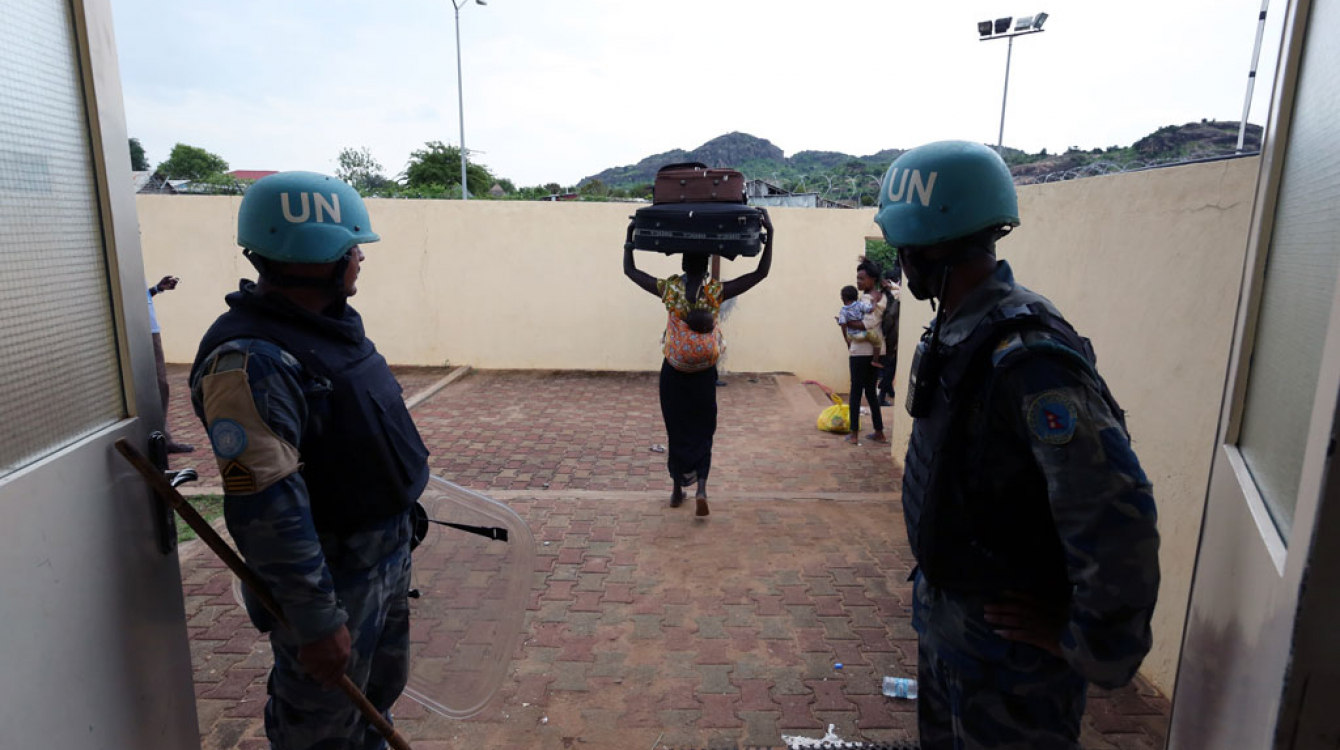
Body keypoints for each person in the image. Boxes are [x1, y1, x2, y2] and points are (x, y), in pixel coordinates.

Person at [874, 141, 1160, 749]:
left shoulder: (1028, 358)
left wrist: (1086, 640)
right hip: (951, 630)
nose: (901, 262)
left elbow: (1112, 509)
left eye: (905, 247)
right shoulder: (957, 330)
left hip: (1010, 666)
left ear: (933, 245)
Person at [188, 172, 429, 750]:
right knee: (321, 731)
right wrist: (316, 622)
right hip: (328, 578)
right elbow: (267, 504)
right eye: (353, 249)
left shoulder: (326, 332)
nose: (360, 261)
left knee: (374, 707)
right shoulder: (252, 359)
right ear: (323, 257)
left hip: (380, 557)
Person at [623, 210, 774, 517]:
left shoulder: (670, 290)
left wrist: (629, 239)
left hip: (674, 371)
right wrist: (769, 236)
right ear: (705, 266)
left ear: (682, 264)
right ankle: (702, 486)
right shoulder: (714, 292)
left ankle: (678, 489)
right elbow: (759, 274)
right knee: (704, 427)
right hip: (704, 373)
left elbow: (631, 272)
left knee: (676, 428)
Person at [839, 259, 887, 445]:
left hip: (861, 352)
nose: (858, 282)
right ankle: (879, 432)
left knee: (856, 392)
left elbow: (866, 324)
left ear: (872, 279)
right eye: (857, 278)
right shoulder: (880, 296)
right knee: (871, 393)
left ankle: (854, 434)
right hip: (875, 350)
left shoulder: (868, 299)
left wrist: (844, 322)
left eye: (862, 278)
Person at [147, 275, 194, 453]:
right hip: (137, 329)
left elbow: (142, 297)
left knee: (161, 386)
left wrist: (157, 289)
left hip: (151, 329)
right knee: (152, 387)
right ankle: (158, 440)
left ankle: (164, 439)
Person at [836, 284, 884, 359]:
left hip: (852, 336)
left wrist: (846, 339)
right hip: (861, 334)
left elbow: (843, 325)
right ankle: (875, 360)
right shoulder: (859, 305)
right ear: (856, 297)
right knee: (877, 340)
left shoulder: (843, 311)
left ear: (843, 298)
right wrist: (874, 302)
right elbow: (871, 310)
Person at [876, 269, 901, 406]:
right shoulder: (896, 295)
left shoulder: (881, 295)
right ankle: (882, 396)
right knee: (890, 367)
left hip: (882, 335)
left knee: (888, 365)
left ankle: (889, 391)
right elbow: (891, 319)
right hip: (891, 337)